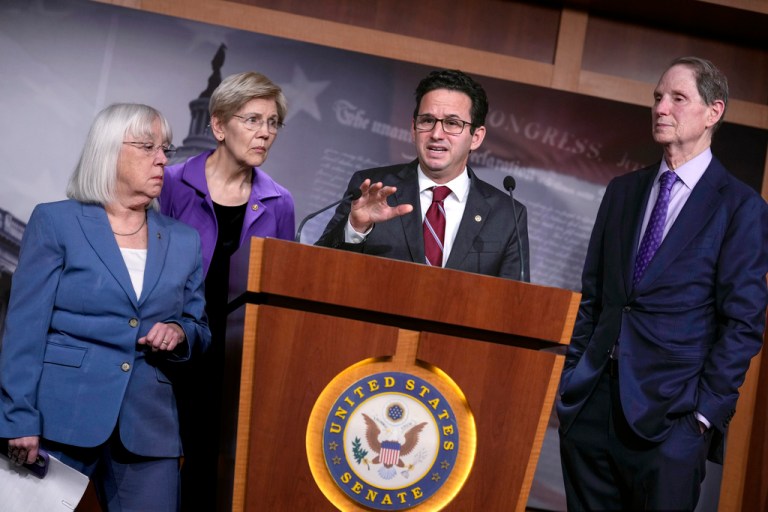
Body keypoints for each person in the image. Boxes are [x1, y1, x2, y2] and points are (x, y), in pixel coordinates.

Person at [556, 56, 768, 511]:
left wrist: (703, 417)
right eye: (657, 97)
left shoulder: (740, 207)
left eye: (677, 98)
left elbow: (744, 324)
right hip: (592, 409)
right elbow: (595, 299)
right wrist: (573, 381)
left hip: (671, 424)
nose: (661, 108)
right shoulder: (622, 191)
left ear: (714, 112)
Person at [0, 103, 211, 511]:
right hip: (56, 420)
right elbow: (25, 331)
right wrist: (18, 418)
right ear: (109, 151)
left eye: (165, 148)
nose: (163, 159)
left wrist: (181, 332)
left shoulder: (184, 240)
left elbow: (198, 327)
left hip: (149, 429)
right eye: (148, 147)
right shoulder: (55, 222)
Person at [159, 71, 295, 510]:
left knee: (206, 482)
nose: (265, 133)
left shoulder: (280, 202)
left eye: (273, 123)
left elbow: (281, 291)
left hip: (234, 364)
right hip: (168, 350)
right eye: (253, 120)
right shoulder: (172, 183)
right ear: (218, 126)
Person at [316, 69, 530, 281]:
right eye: (427, 121)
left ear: (476, 137)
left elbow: (515, 302)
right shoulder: (374, 189)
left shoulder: (507, 214)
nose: (436, 134)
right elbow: (319, 268)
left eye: (452, 123)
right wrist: (355, 229)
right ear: (413, 128)